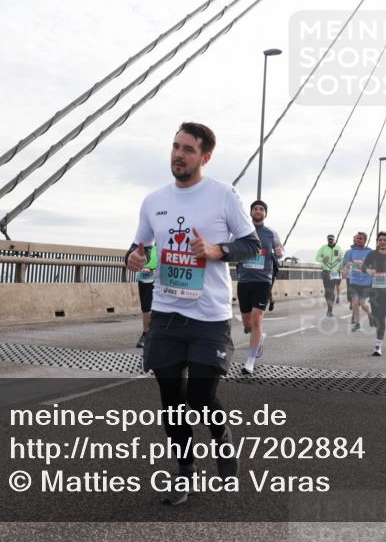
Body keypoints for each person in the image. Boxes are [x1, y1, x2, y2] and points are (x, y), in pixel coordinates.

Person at [127, 122, 260, 505]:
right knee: (171, 402)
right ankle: (185, 471)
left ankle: (222, 440)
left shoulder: (223, 195)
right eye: (174, 146)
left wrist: (218, 251)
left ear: (204, 156)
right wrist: (133, 256)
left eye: (187, 149)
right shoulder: (153, 201)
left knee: (201, 397)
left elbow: (250, 244)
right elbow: (138, 246)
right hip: (167, 313)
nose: (177, 154)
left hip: (209, 317)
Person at [236, 199, 282, 374]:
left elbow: (280, 251)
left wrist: (279, 253)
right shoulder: (242, 232)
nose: (258, 211)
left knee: (257, 318)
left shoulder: (271, 233)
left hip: (263, 280)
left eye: (261, 209)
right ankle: (259, 336)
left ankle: (250, 361)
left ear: (265, 213)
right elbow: (233, 249)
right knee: (248, 324)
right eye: (255, 208)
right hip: (244, 280)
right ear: (251, 212)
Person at [361, 232, 386, 356]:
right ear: (377, 242)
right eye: (380, 240)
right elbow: (363, 267)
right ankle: (372, 316)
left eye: (385, 240)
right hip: (375, 289)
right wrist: (369, 271)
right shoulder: (372, 254)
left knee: (382, 316)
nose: (383, 242)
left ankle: (378, 346)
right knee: (377, 316)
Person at [341, 232, 373, 332]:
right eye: (357, 238)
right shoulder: (351, 252)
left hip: (366, 282)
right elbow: (346, 264)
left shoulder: (370, 252)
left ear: (365, 240)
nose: (358, 240)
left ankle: (370, 314)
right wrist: (347, 268)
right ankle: (358, 323)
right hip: (354, 281)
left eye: (360, 239)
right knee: (355, 302)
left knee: (363, 304)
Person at [136, 244, 158, 348]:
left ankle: (146, 334)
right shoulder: (145, 244)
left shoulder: (162, 242)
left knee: (147, 306)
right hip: (142, 277)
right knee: (144, 308)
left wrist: (152, 269)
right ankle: (149, 334)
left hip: (155, 278)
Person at [316, 234, 343, 317]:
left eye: (331, 239)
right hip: (326, 271)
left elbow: (342, 257)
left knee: (331, 290)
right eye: (329, 239)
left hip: (335, 272)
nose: (330, 240)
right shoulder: (323, 248)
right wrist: (322, 259)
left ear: (334, 240)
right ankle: (329, 307)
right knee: (327, 290)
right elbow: (317, 258)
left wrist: (340, 259)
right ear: (327, 240)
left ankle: (330, 310)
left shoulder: (339, 248)